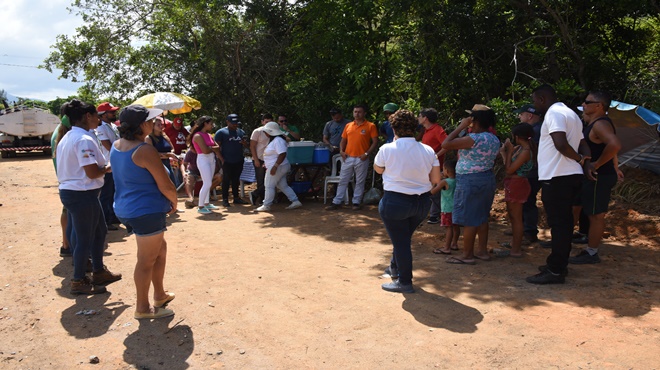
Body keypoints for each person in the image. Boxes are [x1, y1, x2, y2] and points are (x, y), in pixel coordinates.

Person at [112, 104, 177, 319]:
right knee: (146, 260)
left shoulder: (117, 145)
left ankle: (159, 294)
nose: (153, 123)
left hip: (127, 207)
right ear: (142, 125)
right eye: (149, 120)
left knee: (160, 249)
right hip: (145, 211)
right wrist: (174, 201)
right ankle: (142, 307)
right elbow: (165, 184)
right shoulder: (144, 150)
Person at [526, 84, 595, 284]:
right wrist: (585, 161)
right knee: (562, 224)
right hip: (568, 176)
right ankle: (556, 264)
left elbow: (561, 143)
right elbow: (582, 142)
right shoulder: (571, 114)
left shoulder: (554, 113)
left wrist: (580, 160)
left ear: (542, 99)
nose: (534, 104)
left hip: (557, 176)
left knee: (560, 225)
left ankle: (555, 271)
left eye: (534, 100)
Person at [57, 99, 122, 295]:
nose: (98, 120)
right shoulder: (83, 139)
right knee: (85, 238)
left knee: (100, 231)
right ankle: (78, 280)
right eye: (95, 116)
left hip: (81, 193)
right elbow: (92, 172)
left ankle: (99, 270)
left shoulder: (70, 137)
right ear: (87, 116)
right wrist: (110, 168)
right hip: (81, 194)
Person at [375, 109, 441, 293]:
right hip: (422, 203)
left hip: (395, 203)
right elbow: (435, 179)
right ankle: (394, 268)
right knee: (402, 238)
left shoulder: (387, 149)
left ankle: (405, 281)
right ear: (415, 127)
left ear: (393, 128)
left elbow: (378, 170)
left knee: (401, 242)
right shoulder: (428, 150)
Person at [441, 104, 500, 265]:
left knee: (469, 218)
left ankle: (467, 254)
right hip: (487, 178)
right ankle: (481, 251)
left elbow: (446, 144)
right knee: (481, 216)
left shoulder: (473, 139)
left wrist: (461, 126)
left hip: (470, 180)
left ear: (474, 119)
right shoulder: (493, 138)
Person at [569, 91, 621, 264]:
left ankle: (592, 253)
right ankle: (584, 243)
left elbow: (614, 144)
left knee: (596, 216)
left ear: (599, 106)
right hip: (596, 175)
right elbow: (610, 146)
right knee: (587, 211)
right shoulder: (595, 123)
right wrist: (615, 166)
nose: (583, 104)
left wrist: (596, 165)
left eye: (587, 102)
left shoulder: (600, 124)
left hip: (599, 177)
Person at [325, 104, 379, 210]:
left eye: (359, 112)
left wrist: (367, 154)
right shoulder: (348, 125)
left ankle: (356, 202)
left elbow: (375, 142)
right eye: (355, 112)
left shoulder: (370, 126)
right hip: (348, 157)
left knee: (360, 181)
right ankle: (337, 201)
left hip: (361, 158)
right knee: (343, 180)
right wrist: (342, 151)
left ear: (364, 113)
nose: (357, 114)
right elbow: (343, 140)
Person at [496, 123, 535, 258]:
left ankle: (516, 249)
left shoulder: (525, 151)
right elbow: (509, 165)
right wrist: (504, 153)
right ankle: (515, 244)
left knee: (516, 218)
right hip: (514, 183)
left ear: (517, 136)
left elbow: (509, 169)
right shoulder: (521, 148)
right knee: (513, 217)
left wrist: (510, 151)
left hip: (517, 183)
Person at [255, 121, 303, 212]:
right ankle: (295, 200)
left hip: (277, 167)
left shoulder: (278, 140)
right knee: (282, 185)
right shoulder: (276, 140)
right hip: (279, 166)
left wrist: (275, 166)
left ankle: (266, 204)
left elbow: (282, 154)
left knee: (269, 185)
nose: (265, 133)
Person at [514, 104, 544, 244]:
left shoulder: (535, 131)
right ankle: (523, 228)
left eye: (521, 114)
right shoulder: (538, 128)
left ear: (529, 116)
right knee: (526, 201)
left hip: (533, 172)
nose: (520, 117)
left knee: (528, 201)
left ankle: (529, 232)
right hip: (534, 171)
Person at [419, 108, 448, 224]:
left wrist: (436, 155)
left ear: (425, 118)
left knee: (435, 190)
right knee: (430, 189)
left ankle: (436, 215)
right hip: (427, 166)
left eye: (420, 116)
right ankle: (434, 214)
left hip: (435, 166)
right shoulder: (427, 130)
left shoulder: (437, 130)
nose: (418, 118)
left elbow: (447, 144)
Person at [95, 102, 121, 231]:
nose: (114, 113)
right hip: (108, 164)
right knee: (106, 193)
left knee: (114, 192)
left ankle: (112, 215)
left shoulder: (113, 126)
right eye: (111, 112)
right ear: (103, 115)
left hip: (115, 164)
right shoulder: (100, 128)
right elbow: (108, 146)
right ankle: (105, 219)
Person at [215, 114, 249, 207]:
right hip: (226, 160)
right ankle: (225, 199)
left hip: (238, 160)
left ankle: (236, 198)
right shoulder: (221, 132)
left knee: (236, 179)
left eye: (236, 123)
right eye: (233, 123)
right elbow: (216, 147)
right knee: (226, 180)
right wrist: (221, 159)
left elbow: (246, 146)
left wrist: (245, 143)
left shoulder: (241, 132)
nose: (235, 125)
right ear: (227, 122)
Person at [51, 112, 72, 257]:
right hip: (73, 184)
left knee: (66, 212)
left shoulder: (57, 134)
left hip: (64, 181)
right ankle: (70, 246)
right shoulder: (69, 137)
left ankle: (66, 244)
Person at [192, 116, 222, 214]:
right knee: (207, 183)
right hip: (203, 159)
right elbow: (205, 150)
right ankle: (200, 206)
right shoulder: (197, 136)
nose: (212, 125)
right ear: (205, 123)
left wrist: (211, 148)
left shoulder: (208, 135)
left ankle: (206, 203)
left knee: (208, 182)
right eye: (210, 123)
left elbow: (217, 146)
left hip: (211, 159)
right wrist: (213, 148)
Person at [431, 158, 460, 255]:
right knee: (456, 227)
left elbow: (433, 192)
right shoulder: (458, 180)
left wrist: (434, 183)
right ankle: (454, 244)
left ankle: (446, 247)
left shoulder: (444, 182)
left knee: (448, 228)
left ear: (446, 170)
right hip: (457, 208)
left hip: (447, 208)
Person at [146, 116, 180, 187]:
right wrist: (168, 155)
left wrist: (169, 154)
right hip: (158, 163)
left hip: (168, 162)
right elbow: (151, 154)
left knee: (172, 184)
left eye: (161, 124)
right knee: (164, 185)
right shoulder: (149, 138)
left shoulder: (164, 136)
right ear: (153, 126)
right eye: (158, 125)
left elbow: (172, 148)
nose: (161, 126)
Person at [249, 113, 273, 206]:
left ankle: (258, 195)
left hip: (269, 159)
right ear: (262, 122)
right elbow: (252, 146)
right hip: (259, 158)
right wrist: (256, 159)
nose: (268, 124)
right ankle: (260, 199)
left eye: (270, 122)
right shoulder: (257, 131)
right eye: (266, 122)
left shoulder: (274, 131)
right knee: (261, 180)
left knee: (270, 180)